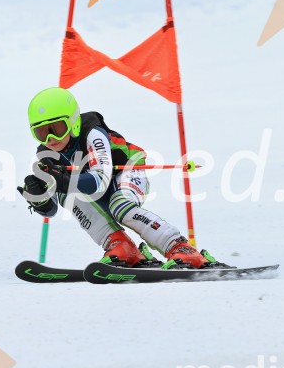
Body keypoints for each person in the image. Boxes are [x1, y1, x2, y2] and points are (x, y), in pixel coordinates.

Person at [18, 87, 207, 268]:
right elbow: (51, 211)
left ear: (73, 121)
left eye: (57, 128)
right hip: (90, 187)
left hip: (126, 172)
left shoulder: (92, 133)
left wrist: (63, 182)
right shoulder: (45, 155)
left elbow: (100, 182)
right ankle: (122, 247)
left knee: (120, 206)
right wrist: (39, 199)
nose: (50, 138)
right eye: (41, 132)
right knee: (65, 194)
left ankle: (179, 246)